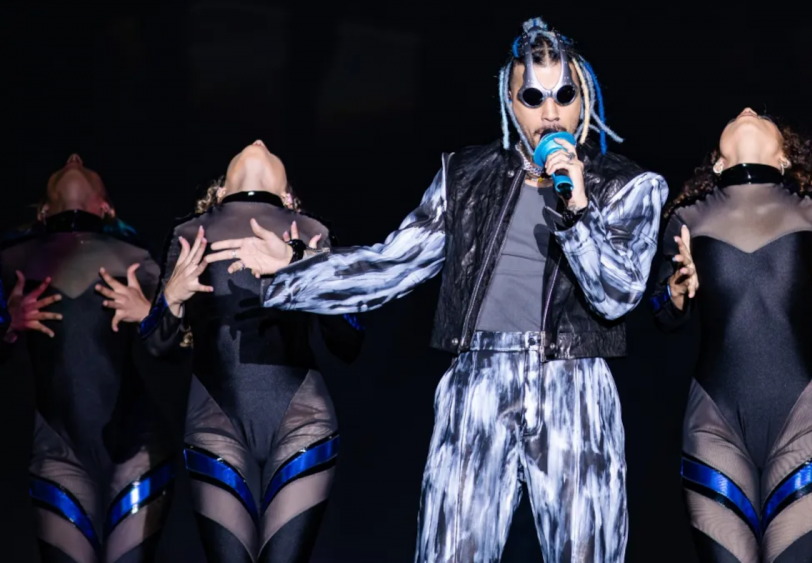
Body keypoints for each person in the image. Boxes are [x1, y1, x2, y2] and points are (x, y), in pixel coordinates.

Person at [202, 17, 667, 563]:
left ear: (583, 97)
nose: (550, 113)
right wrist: (297, 268)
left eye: (564, 95)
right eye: (533, 96)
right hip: (478, 380)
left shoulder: (629, 186)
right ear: (510, 102)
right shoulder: (463, 176)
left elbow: (617, 294)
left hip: (575, 381)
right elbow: (392, 265)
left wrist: (578, 209)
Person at [651, 108, 812, 563]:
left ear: (784, 158)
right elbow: (659, 313)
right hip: (714, 428)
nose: (748, 111)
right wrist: (674, 290)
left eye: (763, 117)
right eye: (740, 113)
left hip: (804, 425)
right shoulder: (685, 219)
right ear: (717, 163)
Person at [138, 140, 364, 562]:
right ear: (220, 193)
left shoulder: (311, 233)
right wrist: (171, 297)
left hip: (302, 421)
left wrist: (307, 266)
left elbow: (349, 343)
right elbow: (157, 345)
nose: (258, 142)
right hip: (214, 426)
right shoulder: (189, 235)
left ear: (289, 199)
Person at [0, 153, 171, 563]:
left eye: (81, 162)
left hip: (136, 448)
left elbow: (173, 347)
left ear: (105, 207)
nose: (73, 157)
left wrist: (150, 315)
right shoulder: (12, 260)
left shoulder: (137, 258)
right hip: (59, 451)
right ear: (43, 211)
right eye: (65, 162)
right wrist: (7, 323)